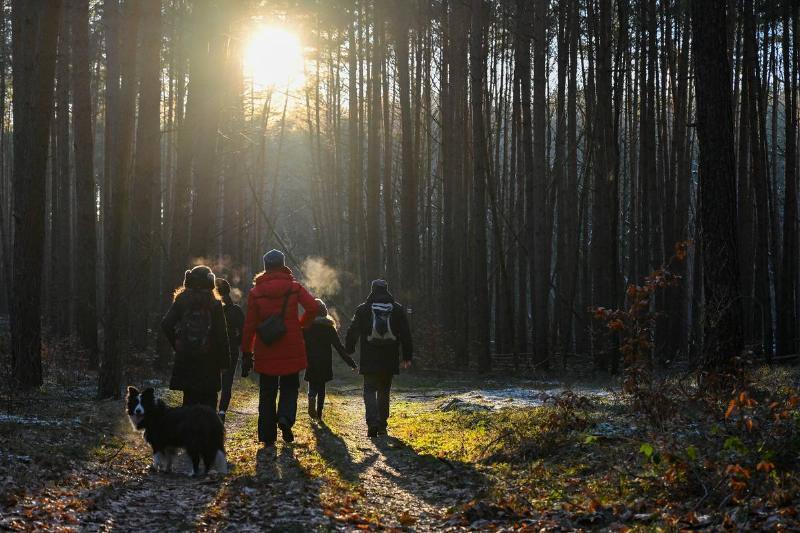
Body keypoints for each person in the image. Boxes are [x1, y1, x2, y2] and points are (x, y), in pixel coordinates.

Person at [241, 249, 320, 445]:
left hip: (266, 347)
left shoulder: (256, 292)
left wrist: (246, 352)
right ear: (283, 265)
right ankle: (285, 417)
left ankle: (267, 436)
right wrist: (301, 324)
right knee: (290, 387)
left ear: (265, 266)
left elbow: (250, 325)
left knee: (267, 392)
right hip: (290, 346)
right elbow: (313, 307)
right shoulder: (294, 288)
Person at [345, 279, 413, 437]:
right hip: (389, 357)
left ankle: (372, 422)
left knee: (369, 389)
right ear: (387, 290)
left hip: (369, 357)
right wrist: (407, 356)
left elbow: (353, 330)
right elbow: (406, 334)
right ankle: (382, 425)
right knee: (384, 390)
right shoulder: (397, 309)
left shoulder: (363, 309)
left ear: (372, 290)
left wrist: (349, 349)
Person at [161, 265, 231, 409]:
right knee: (209, 402)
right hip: (210, 361)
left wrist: (178, 344)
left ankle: (190, 430)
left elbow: (166, 324)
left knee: (189, 401)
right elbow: (221, 335)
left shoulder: (182, 300)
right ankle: (208, 430)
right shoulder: (214, 303)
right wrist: (224, 363)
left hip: (187, 360)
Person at [303, 299, 357, 421]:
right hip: (324, 361)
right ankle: (319, 415)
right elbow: (339, 347)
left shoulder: (307, 327)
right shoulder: (329, 327)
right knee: (321, 387)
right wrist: (351, 362)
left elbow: (299, 343)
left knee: (312, 382)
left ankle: (311, 396)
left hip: (310, 359)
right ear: (324, 312)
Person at [216, 278, 245, 423]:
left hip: (213, 350)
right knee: (227, 383)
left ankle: (210, 410)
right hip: (231, 351)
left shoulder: (212, 307)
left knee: (212, 380)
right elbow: (244, 331)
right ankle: (221, 411)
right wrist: (236, 343)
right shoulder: (236, 311)